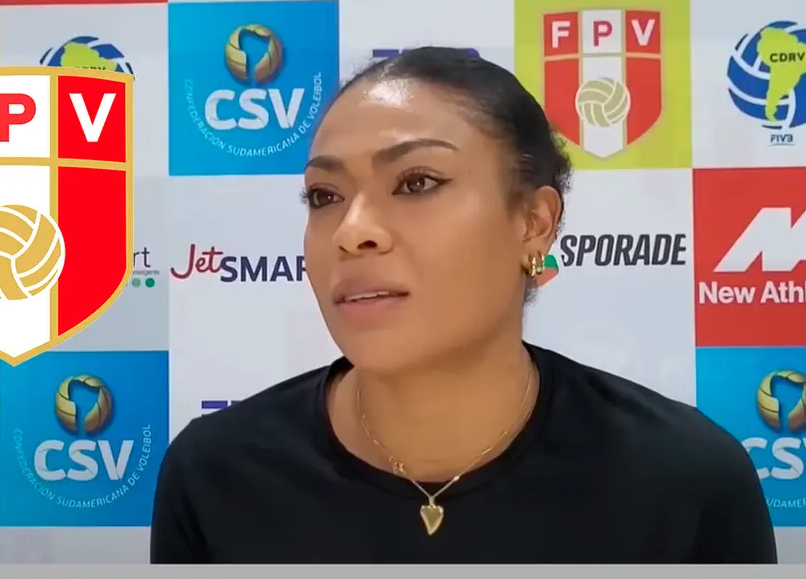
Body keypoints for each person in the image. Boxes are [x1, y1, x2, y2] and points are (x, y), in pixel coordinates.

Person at [150, 47, 777, 564]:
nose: (351, 231)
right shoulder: (215, 475)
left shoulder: (686, 480)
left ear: (533, 223)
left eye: (416, 183)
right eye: (324, 196)